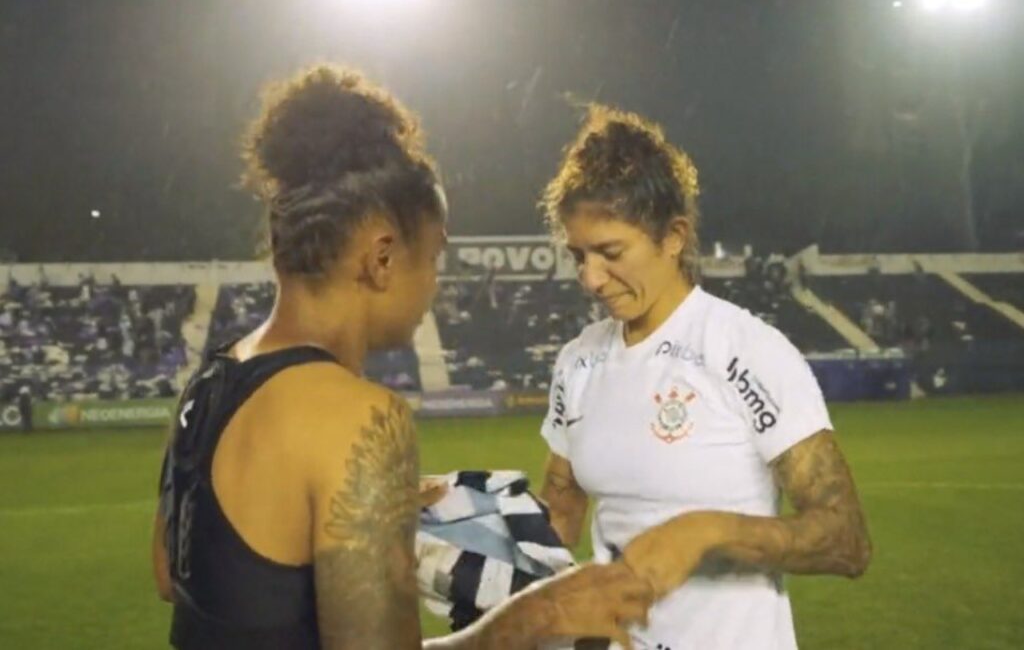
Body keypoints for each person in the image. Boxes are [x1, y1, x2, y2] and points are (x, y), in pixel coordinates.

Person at [150, 67, 653, 650]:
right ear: (383, 258)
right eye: (434, 258)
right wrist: (537, 615)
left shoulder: (211, 378)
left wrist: (363, 525)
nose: (434, 283)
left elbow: (172, 575)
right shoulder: (358, 417)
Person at [537, 106, 872, 649]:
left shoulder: (748, 351)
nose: (591, 278)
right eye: (579, 255)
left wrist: (707, 532)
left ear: (673, 236)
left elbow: (846, 539)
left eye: (610, 253)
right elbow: (560, 507)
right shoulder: (578, 361)